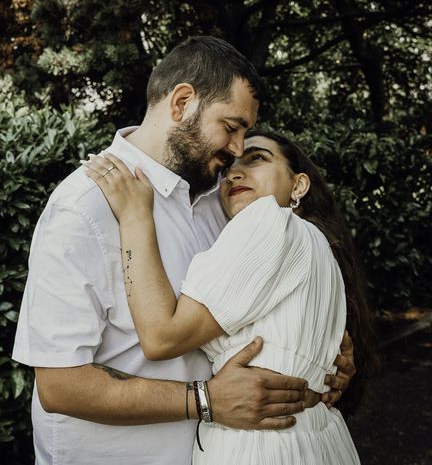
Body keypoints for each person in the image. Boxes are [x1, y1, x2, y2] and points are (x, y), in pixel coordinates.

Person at [12, 36, 356, 465]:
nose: (236, 151)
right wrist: (205, 400)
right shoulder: (83, 208)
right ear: (181, 103)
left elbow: (263, 303)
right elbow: (60, 387)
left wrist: (317, 357)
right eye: (231, 128)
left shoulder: (227, 201)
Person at [82, 130, 378, 463]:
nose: (234, 173)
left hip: (258, 446)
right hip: (318, 440)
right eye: (228, 168)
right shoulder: (320, 245)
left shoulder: (267, 220)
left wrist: (135, 217)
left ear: (298, 186)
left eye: (257, 159)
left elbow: (161, 337)